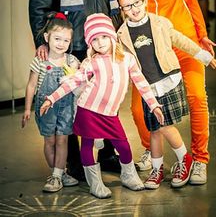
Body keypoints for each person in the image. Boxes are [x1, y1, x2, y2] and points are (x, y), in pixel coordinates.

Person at [112, 0, 216, 184]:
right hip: (147, 50)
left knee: (196, 97)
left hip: (183, 38)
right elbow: (126, 13)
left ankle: (200, 160)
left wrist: (202, 34)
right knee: (138, 110)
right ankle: (150, 149)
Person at [28, 0, 123, 181]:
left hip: (102, 44)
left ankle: (105, 155)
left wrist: (114, 27)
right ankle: (70, 163)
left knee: (105, 99)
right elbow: (39, 4)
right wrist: (42, 41)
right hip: (71, 45)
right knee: (69, 105)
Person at [40, 13, 164, 198]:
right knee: (88, 145)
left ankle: (128, 175)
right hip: (88, 110)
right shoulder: (92, 62)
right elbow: (73, 82)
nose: (100, 42)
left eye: (104, 36)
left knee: (123, 145)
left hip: (110, 114)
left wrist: (154, 105)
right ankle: (95, 183)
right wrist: (51, 98)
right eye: (95, 39)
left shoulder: (127, 60)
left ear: (112, 37)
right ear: (90, 44)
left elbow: (141, 83)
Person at [117, 0, 216, 189]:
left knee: (163, 125)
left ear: (145, 1)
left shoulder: (160, 23)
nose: (134, 9)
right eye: (127, 6)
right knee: (154, 129)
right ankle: (157, 169)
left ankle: (185, 159)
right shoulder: (122, 35)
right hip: (148, 89)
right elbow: (119, 61)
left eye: (137, 3)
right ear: (122, 10)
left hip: (167, 82)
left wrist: (204, 57)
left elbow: (182, 41)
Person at [22, 12, 80, 192]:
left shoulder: (71, 61)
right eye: (57, 38)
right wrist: (27, 109)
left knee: (62, 140)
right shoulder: (40, 61)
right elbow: (31, 86)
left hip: (66, 108)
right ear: (47, 37)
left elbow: (80, 81)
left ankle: (56, 176)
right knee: (50, 142)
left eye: (65, 40)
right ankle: (58, 173)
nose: (61, 44)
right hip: (45, 108)